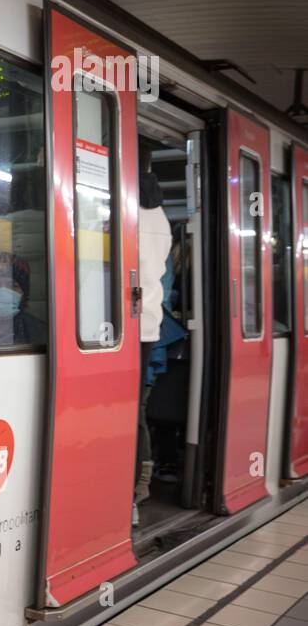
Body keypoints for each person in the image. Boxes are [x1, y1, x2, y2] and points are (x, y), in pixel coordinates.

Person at [136, 156, 172, 525]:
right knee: (135, 412)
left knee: (127, 414)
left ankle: (132, 488)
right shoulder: (161, 219)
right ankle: (136, 488)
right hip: (148, 325)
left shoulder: (119, 206)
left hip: (118, 325)